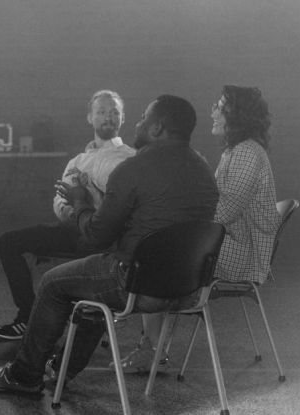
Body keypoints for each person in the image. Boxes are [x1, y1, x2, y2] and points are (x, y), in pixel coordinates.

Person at [0, 95, 219, 394]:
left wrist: (80, 203)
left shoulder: (134, 169)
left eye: (144, 117)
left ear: (157, 128)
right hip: (188, 290)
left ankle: (24, 375)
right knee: (91, 290)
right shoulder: (203, 170)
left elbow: (95, 237)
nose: (138, 122)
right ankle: (59, 370)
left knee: (54, 283)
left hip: (135, 283)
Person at [116, 85, 280, 373]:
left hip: (240, 254)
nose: (213, 112)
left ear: (237, 115)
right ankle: (150, 344)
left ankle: (148, 343)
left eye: (220, 106)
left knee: (160, 248)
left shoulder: (246, 153)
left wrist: (178, 215)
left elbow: (222, 212)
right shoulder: (236, 151)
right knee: (163, 242)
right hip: (228, 244)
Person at [0, 90, 135, 340]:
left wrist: (83, 195)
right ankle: (27, 316)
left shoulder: (128, 158)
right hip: (73, 228)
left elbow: (119, 203)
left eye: (114, 113)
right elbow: (59, 202)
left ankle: (83, 322)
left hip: (103, 237)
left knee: (72, 270)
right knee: (7, 242)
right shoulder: (77, 160)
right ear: (89, 118)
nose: (108, 117)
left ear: (122, 119)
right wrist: (73, 209)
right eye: (101, 112)